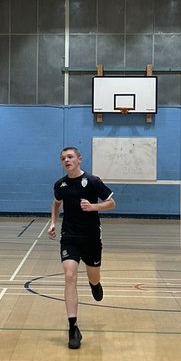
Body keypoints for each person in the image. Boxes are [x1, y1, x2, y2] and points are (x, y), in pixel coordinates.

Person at [48, 146, 116, 349]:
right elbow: (56, 203)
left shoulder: (93, 181)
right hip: (69, 236)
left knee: (93, 275)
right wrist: (53, 222)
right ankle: (73, 327)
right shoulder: (60, 185)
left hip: (91, 237)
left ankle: (95, 284)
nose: (66, 160)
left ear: (79, 159)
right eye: (62, 158)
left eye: (69, 157)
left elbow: (112, 203)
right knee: (70, 276)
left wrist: (93, 207)